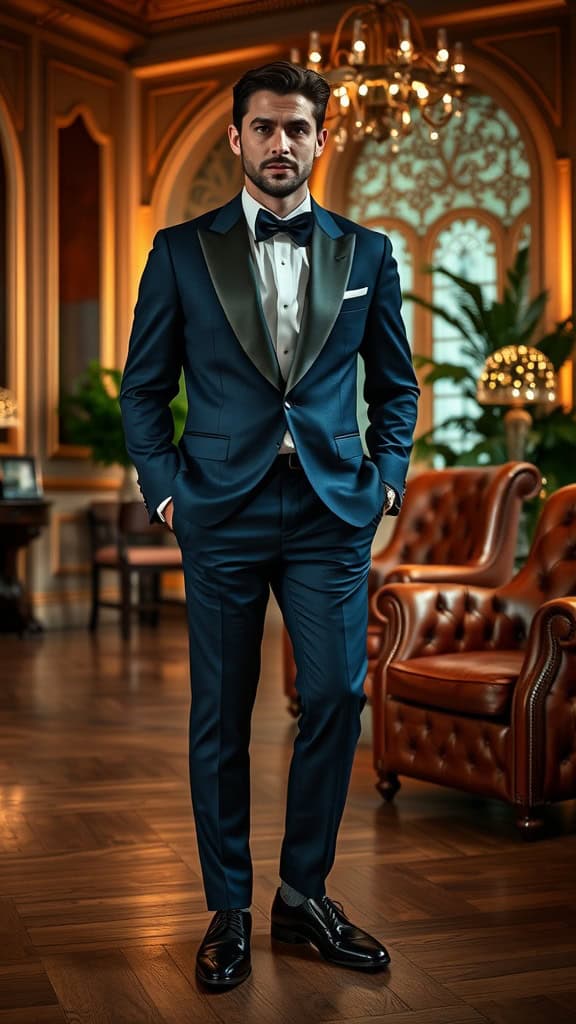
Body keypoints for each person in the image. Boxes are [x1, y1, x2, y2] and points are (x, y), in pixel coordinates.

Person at [120, 60, 419, 991]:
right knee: (221, 718)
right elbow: (143, 390)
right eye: (264, 127)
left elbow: (397, 387)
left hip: (331, 513)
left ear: (320, 139)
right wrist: (169, 494)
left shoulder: (366, 253)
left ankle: (303, 896)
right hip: (220, 511)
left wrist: (387, 485)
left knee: (334, 698)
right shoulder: (178, 250)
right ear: (236, 137)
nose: (280, 143)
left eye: (297, 128)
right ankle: (229, 909)